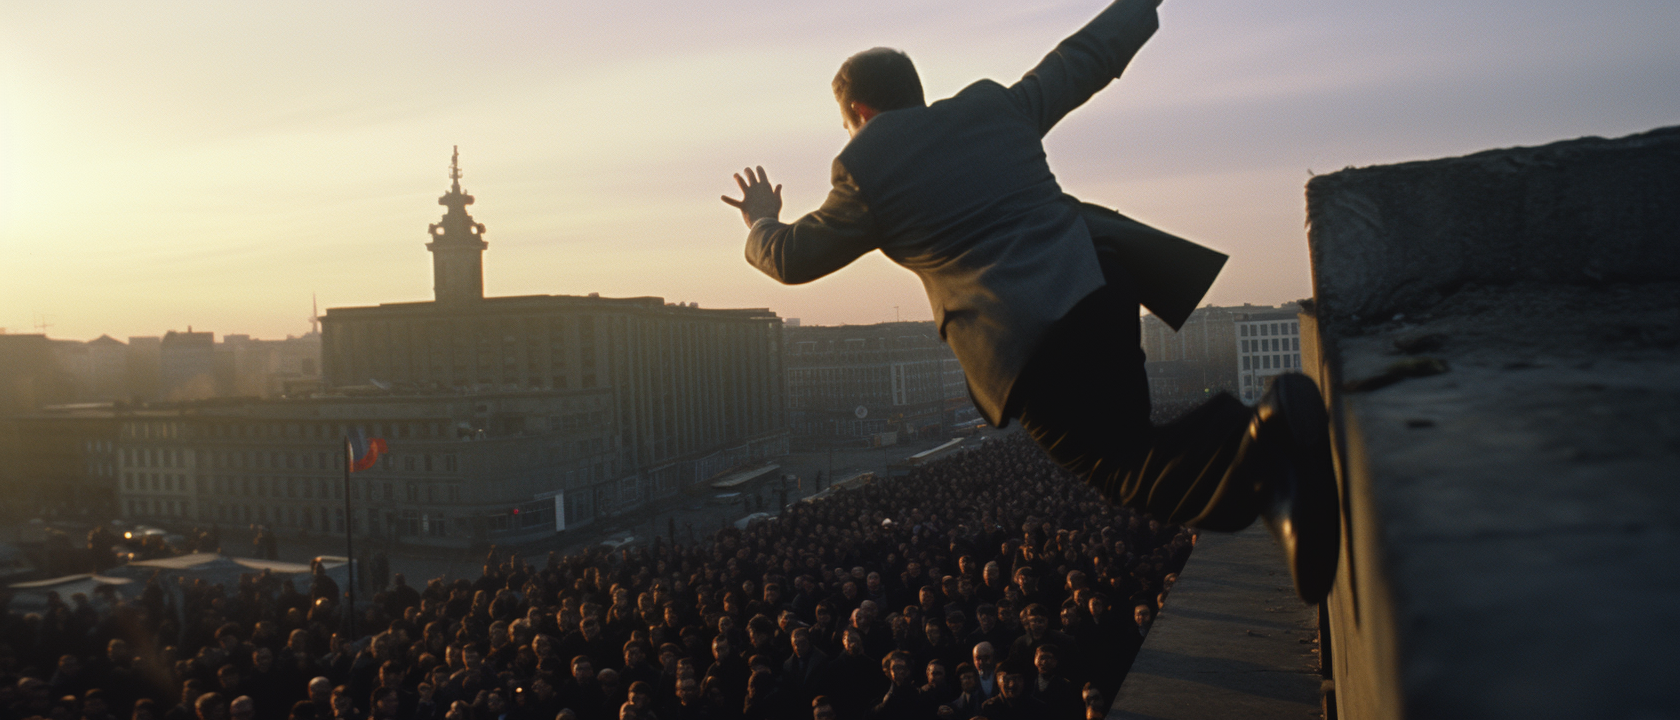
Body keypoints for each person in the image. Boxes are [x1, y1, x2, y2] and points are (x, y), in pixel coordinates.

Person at [721, 0, 1338, 602]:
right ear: (914, 89)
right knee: (1131, 442)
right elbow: (1081, 60)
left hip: (1030, 339)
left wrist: (761, 221)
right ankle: (1272, 473)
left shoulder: (862, 168)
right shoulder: (992, 107)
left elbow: (792, 258)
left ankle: (1262, 442)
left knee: (1121, 469)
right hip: (1102, 282)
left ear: (858, 110)